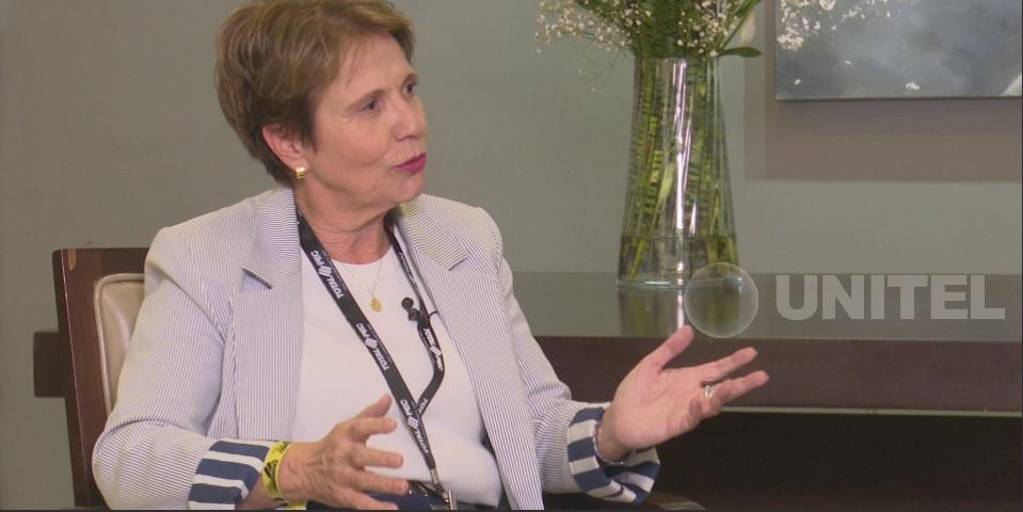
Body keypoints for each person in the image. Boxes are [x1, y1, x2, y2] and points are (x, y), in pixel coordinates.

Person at [92, 0, 769, 509]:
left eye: (408, 89)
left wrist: (611, 432)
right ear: (290, 142)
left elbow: (528, 431)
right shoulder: (209, 257)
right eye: (369, 106)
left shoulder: (462, 239)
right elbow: (129, 459)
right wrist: (291, 469)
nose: (410, 122)